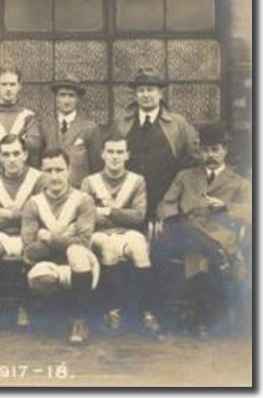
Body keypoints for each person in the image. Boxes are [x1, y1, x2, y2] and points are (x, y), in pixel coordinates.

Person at [155, 124, 251, 338]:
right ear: (199, 151)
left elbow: (252, 212)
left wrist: (226, 207)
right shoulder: (185, 176)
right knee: (169, 246)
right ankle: (200, 321)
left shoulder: (239, 183)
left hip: (219, 234)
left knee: (198, 256)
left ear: (225, 150)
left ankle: (193, 320)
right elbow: (165, 204)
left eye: (216, 149)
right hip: (186, 233)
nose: (210, 155)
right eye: (206, 150)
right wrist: (175, 217)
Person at [81, 135, 161, 337]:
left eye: (119, 152)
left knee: (139, 249)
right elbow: (87, 218)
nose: (115, 157)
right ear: (102, 154)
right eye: (110, 152)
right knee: (108, 249)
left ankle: (147, 311)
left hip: (128, 233)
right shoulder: (89, 182)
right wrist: (118, 216)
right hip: (99, 235)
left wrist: (107, 212)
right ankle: (112, 310)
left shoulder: (137, 181)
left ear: (127, 155)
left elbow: (138, 217)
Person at [21, 148, 98, 345]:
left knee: (76, 252)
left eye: (59, 169)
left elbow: (83, 242)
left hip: (80, 267)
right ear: (41, 172)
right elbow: (29, 251)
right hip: (48, 265)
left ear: (69, 170)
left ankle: (80, 321)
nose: (54, 176)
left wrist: (48, 237)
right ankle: (60, 316)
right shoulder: (33, 204)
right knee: (41, 278)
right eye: (48, 171)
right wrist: (66, 237)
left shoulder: (83, 200)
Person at [0, 134, 45, 332]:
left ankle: (25, 307)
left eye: (16, 153)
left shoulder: (38, 178)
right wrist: (23, 215)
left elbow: (40, 216)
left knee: (36, 241)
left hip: (30, 233)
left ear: (25, 155)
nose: (12, 159)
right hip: (1, 234)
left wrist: (7, 213)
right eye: (6, 154)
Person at [112, 66, 200, 219]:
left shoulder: (178, 124)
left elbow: (193, 162)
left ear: (160, 94)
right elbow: (111, 161)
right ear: (135, 96)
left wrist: (177, 199)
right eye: (141, 90)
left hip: (169, 204)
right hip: (129, 203)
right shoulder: (121, 124)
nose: (145, 95)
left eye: (150, 89)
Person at [40, 74, 102, 188]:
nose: (66, 101)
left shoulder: (90, 128)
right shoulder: (45, 127)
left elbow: (96, 166)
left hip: (78, 191)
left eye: (71, 96)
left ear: (78, 99)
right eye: (62, 95)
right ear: (56, 98)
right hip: (51, 190)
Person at [0, 66, 43, 171]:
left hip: (23, 176)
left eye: (12, 84)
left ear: (19, 86)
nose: (8, 89)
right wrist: (22, 140)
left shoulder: (28, 116)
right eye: (4, 84)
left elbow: (34, 145)